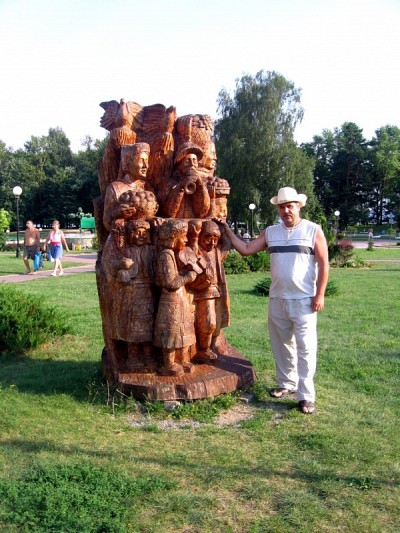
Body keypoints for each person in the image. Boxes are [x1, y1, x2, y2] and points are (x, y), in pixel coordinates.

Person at [215, 186, 329, 415]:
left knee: (306, 349)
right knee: (281, 345)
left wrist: (320, 294)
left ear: (298, 206)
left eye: (290, 206)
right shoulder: (271, 232)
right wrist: (227, 230)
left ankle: (306, 396)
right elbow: (246, 248)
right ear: (278, 209)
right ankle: (286, 383)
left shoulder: (313, 230)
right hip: (277, 299)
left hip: (304, 301)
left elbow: (324, 263)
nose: (286, 210)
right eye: (282, 207)